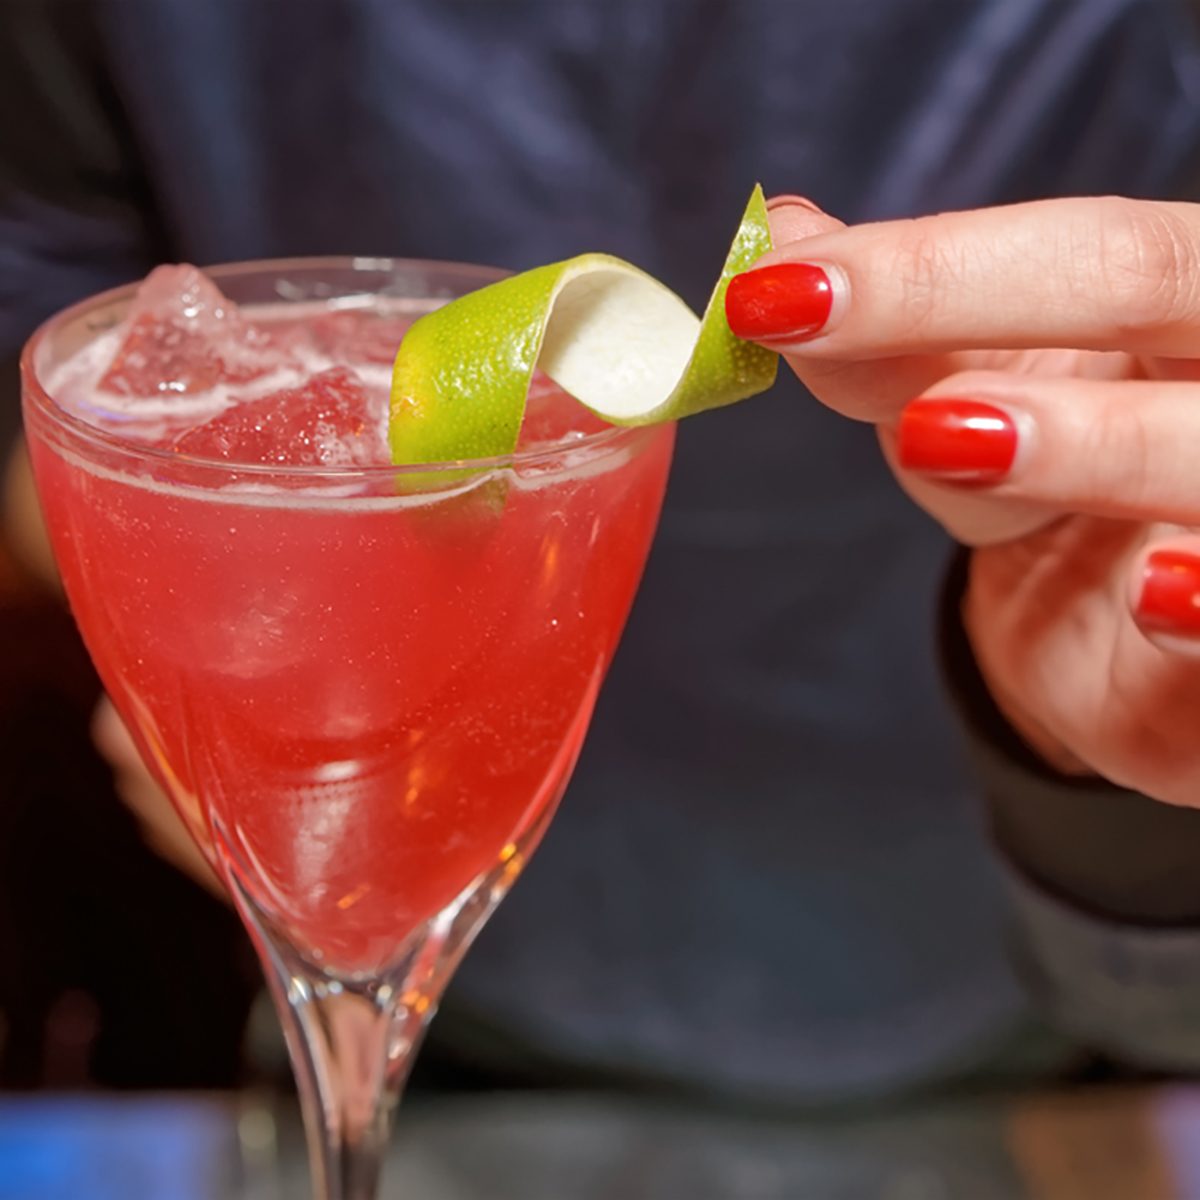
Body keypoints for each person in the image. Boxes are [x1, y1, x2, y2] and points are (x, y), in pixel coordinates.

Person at [6, 0, 1200, 1107]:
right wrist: (213, 640)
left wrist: (1133, 686)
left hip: (1007, 981)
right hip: (396, 1000)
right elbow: (46, 313)